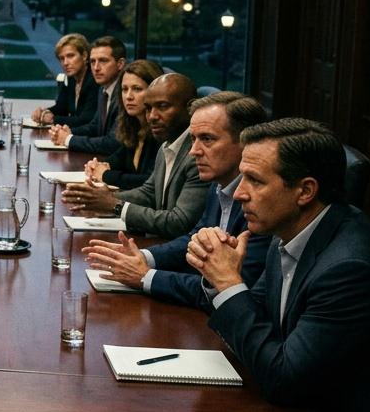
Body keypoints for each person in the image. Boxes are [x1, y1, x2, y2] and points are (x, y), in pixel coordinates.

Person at [190, 118, 370, 412]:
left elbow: (284, 380)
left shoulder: (349, 268)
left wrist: (227, 282)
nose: (238, 193)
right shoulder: (290, 230)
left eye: (255, 180)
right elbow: (259, 316)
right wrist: (218, 277)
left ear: (305, 191)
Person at [83, 91, 271, 308]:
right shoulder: (219, 183)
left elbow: (232, 288)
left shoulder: (262, 203)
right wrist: (143, 257)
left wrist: (146, 276)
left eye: (207, 139)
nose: (193, 151)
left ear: (246, 143)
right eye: (193, 139)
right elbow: (193, 240)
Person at [63, 72, 207, 238]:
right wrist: (100, 200)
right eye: (148, 108)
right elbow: (149, 192)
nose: (152, 116)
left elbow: (179, 222)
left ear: (190, 109)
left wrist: (115, 205)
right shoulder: (167, 145)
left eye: (162, 106)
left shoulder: (198, 154)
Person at [84, 59, 163, 189]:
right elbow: (118, 158)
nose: (128, 96)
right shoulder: (135, 126)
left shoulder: (160, 131)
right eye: (124, 89)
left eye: (137, 89)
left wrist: (106, 175)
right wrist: (97, 166)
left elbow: (150, 182)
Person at [50, 35, 126, 155]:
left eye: (103, 61)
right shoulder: (103, 89)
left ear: (120, 64)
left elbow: (112, 143)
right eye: (93, 61)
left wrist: (69, 139)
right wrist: (68, 132)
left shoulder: (125, 93)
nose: (96, 68)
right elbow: (95, 126)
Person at [32, 33, 97, 127]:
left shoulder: (94, 80)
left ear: (84, 56)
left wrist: (52, 119)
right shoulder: (71, 78)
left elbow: (85, 120)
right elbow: (61, 108)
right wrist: (44, 112)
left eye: (70, 56)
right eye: (61, 58)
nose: (65, 63)